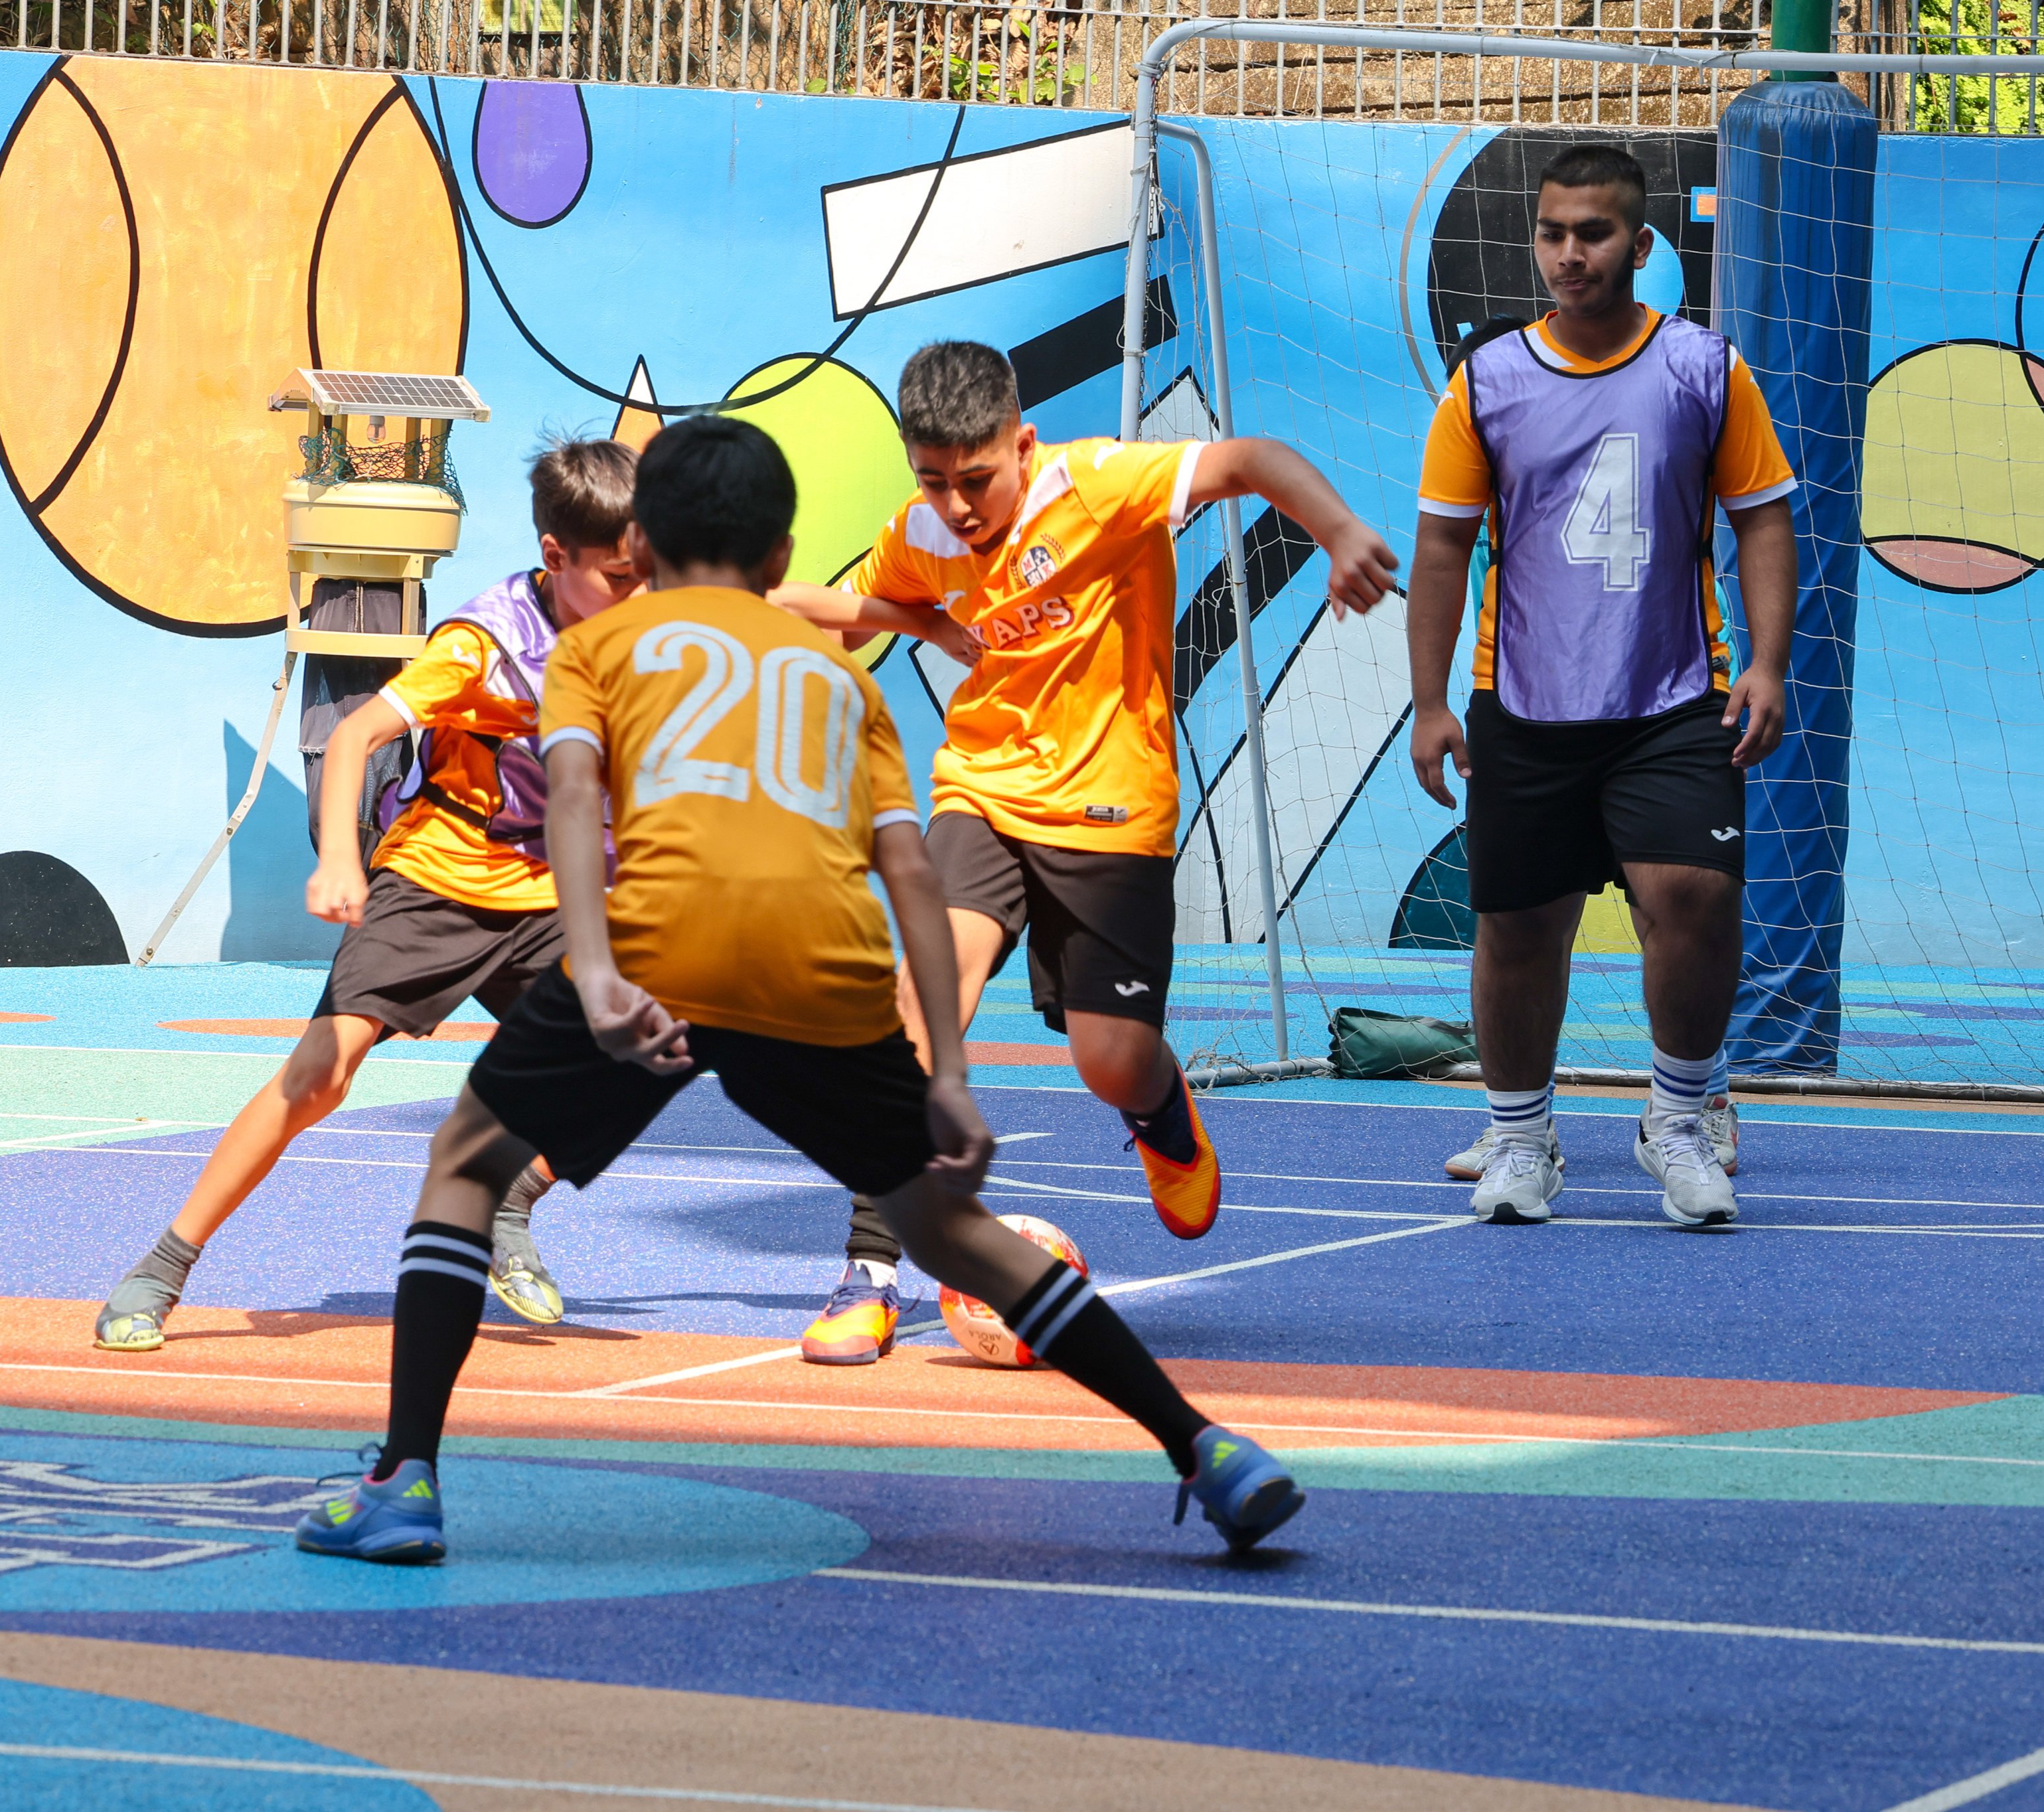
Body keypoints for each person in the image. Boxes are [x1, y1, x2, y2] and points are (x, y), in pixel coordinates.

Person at [291, 416, 1306, 1562]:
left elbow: (574, 806)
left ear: (647, 547)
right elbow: (911, 870)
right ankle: (1206, 1446)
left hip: (661, 952)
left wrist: (596, 965)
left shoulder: (594, 654)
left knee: (464, 1165)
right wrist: (952, 1079)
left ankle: (404, 1481)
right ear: (781, 563)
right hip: (819, 973)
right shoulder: (836, 682)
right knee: (951, 1232)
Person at [769, 340, 1399, 1365]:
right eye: (934, 480)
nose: (959, 504)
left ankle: (1157, 1103)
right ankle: (871, 1268)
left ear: (1022, 443)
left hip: (1112, 805)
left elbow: (1250, 460)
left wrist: (1337, 531)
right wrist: (906, 628)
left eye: (977, 479)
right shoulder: (922, 529)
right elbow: (881, 600)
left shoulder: (1100, 482)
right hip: (981, 791)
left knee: (1108, 1058)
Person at [92, 439, 645, 1350]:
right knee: (321, 1074)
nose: (641, 593)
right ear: (557, 558)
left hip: (551, 889)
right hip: (440, 877)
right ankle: (162, 1265)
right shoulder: (486, 642)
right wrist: (341, 860)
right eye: (621, 577)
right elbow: (353, 738)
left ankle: (507, 1196)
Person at [1405, 144, 1797, 1229]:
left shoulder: (1705, 371)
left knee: (1695, 896)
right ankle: (1523, 1139)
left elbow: (1764, 514)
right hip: (1525, 701)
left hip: (1672, 696)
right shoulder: (1486, 381)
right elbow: (1442, 548)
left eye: (1593, 234)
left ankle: (1677, 1119)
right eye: (1552, 233)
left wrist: (1766, 662)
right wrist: (1432, 701)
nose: (1569, 255)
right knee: (1520, 925)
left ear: (1640, 243)